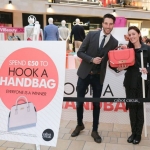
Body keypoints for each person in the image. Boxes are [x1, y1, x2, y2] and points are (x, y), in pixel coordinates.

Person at [71, 14, 118, 143]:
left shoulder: (114, 42)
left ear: (113, 25)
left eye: (111, 24)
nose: (108, 26)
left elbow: (111, 62)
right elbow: (80, 52)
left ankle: (95, 130)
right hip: (84, 74)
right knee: (79, 102)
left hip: (98, 77)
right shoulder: (91, 34)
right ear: (102, 24)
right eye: (106, 23)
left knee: (96, 104)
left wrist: (120, 63)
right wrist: (92, 59)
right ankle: (79, 124)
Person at [118, 26, 150, 144]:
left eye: (133, 34)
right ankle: (133, 132)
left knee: (139, 109)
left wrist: (147, 69)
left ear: (139, 34)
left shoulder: (147, 48)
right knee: (132, 108)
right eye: (129, 35)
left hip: (142, 83)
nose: (131, 36)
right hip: (130, 82)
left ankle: (138, 134)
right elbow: (121, 64)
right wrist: (121, 67)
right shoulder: (127, 50)